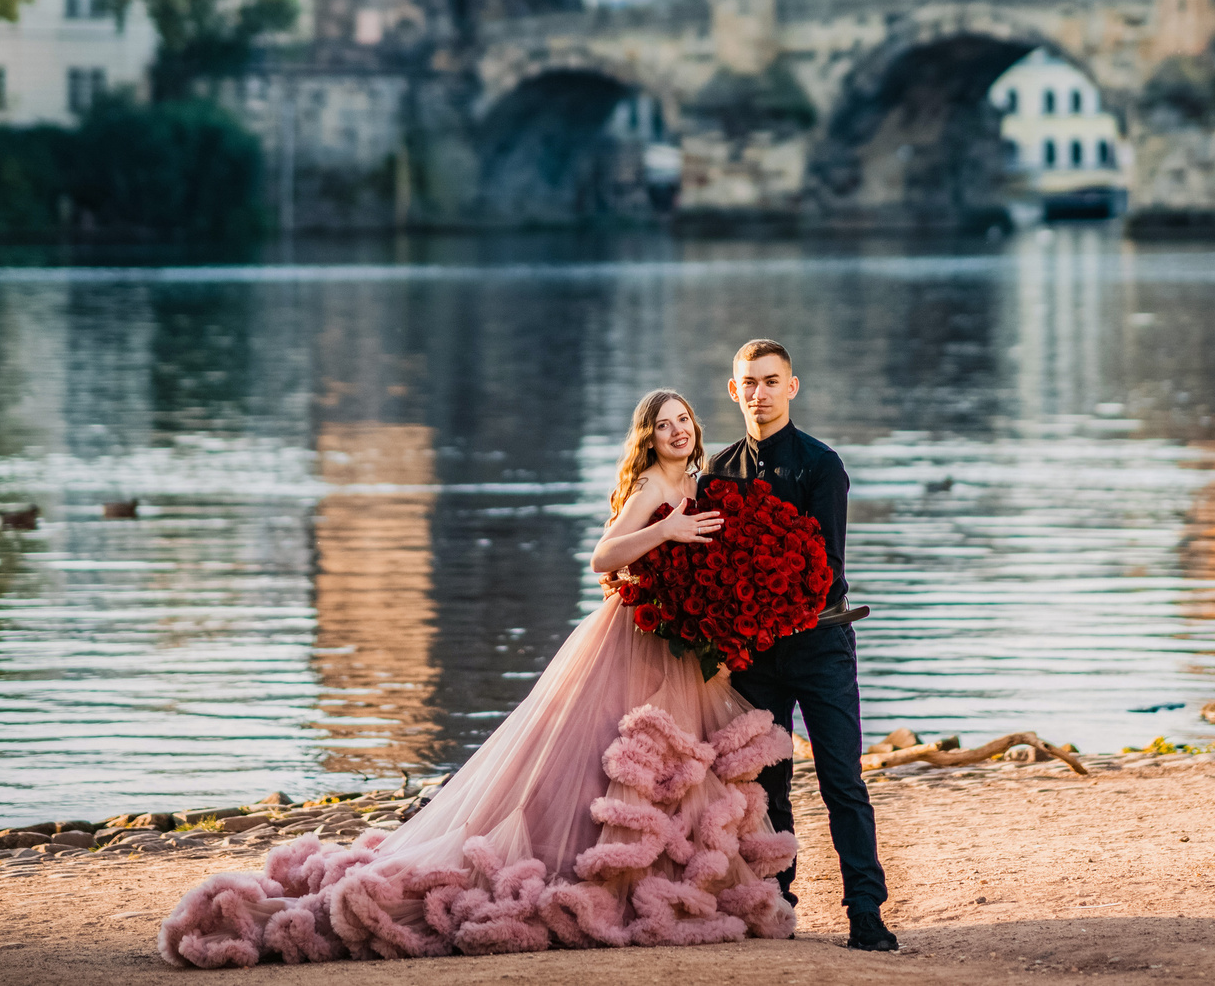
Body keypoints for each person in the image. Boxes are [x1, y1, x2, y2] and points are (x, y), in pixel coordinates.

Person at [155, 390, 798, 967]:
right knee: (611, 758)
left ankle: (668, 874)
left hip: (680, 642)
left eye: (684, 420)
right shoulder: (655, 490)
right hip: (634, 640)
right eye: (664, 425)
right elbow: (603, 554)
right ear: (648, 438)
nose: (679, 431)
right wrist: (665, 530)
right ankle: (605, 872)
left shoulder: (705, 479)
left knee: (668, 765)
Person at [703, 338, 900, 953]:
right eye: (749, 383)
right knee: (770, 786)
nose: (759, 393)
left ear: (792, 387)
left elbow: (829, 568)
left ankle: (864, 911)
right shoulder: (717, 472)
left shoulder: (822, 465)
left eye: (771, 381)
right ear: (735, 392)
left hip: (821, 645)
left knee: (842, 778)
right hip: (754, 656)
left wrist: (770, 602)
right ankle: (778, 902)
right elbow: (710, 570)